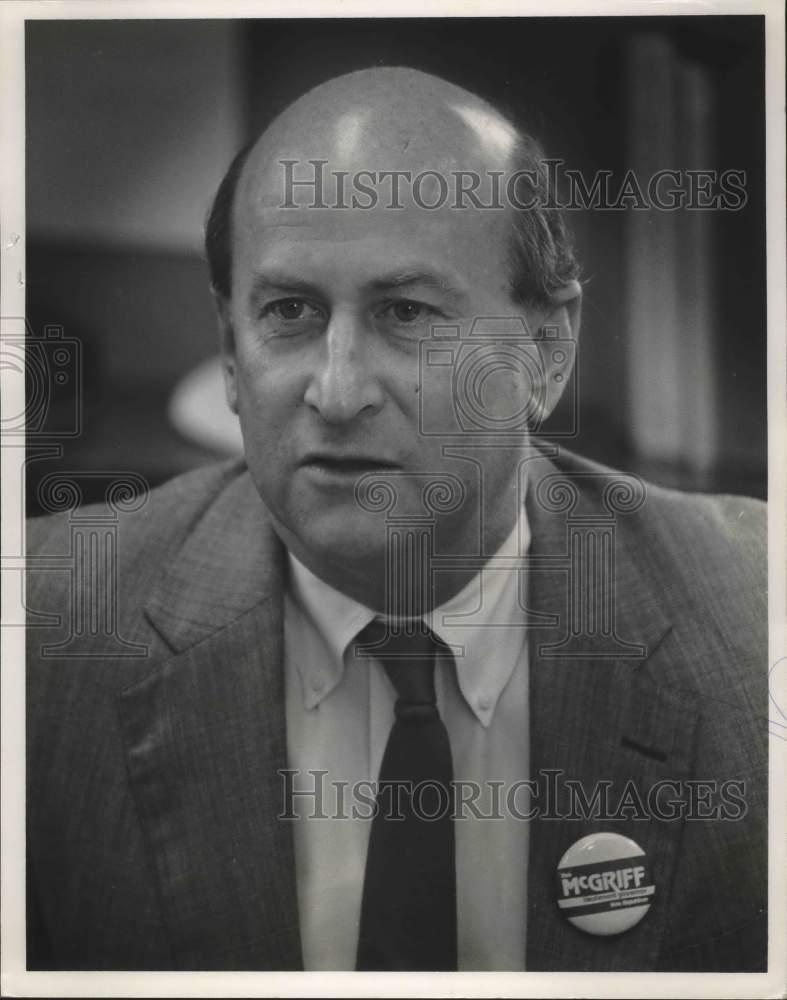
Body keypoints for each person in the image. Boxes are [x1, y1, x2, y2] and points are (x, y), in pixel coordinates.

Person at [25, 67, 767, 972]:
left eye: (408, 314)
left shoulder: (754, 624)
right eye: (288, 313)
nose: (336, 391)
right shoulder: (42, 640)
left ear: (543, 352)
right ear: (228, 350)